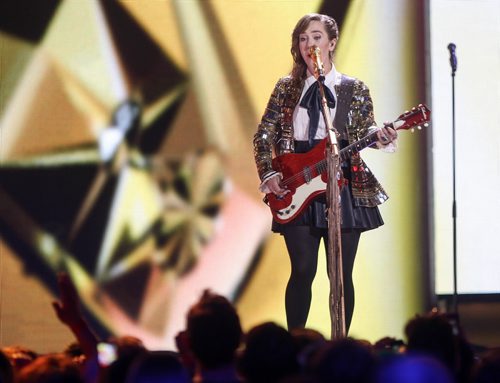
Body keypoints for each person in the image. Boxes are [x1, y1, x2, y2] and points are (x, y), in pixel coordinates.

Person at [253, 13, 398, 333]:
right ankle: (295, 341)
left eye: (316, 37)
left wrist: (383, 137)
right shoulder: (286, 87)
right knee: (303, 269)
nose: (309, 44)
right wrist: (268, 173)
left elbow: (364, 130)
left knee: (341, 275)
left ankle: (341, 345)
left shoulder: (353, 88)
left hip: (342, 181)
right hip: (297, 179)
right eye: (303, 39)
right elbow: (265, 133)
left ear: (331, 43)